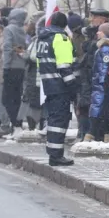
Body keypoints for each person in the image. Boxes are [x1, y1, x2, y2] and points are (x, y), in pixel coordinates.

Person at [37, 12, 76, 166]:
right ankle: (56, 156)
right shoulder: (61, 38)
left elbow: (39, 62)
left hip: (47, 84)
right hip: (60, 86)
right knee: (59, 120)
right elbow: (64, 66)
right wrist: (73, 87)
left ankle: (53, 153)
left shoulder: (43, 38)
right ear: (64, 25)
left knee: (53, 120)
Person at [76, 9, 109, 140]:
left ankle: (95, 135)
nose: (91, 20)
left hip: (96, 77)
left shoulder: (105, 34)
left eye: (94, 17)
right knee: (84, 106)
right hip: (87, 77)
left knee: (96, 107)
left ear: (103, 19)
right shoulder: (90, 34)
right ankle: (85, 133)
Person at [88, 24, 109, 142]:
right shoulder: (103, 47)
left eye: (100, 31)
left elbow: (103, 66)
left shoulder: (105, 48)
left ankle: (95, 134)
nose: (97, 33)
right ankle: (104, 134)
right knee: (101, 109)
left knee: (100, 109)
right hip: (100, 83)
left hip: (101, 84)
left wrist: (100, 82)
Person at [2, 8, 27, 130]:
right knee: (17, 97)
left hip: (11, 67)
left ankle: (14, 123)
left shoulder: (8, 29)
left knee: (7, 98)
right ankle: (18, 123)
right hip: (21, 67)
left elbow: (7, 48)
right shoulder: (23, 30)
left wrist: (5, 66)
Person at [18, 16, 44, 132]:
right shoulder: (34, 40)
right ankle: (33, 127)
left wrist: (25, 55)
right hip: (33, 77)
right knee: (31, 102)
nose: (27, 26)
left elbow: (34, 56)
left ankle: (35, 127)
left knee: (34, 104)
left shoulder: (39, 40)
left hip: (36, 77)